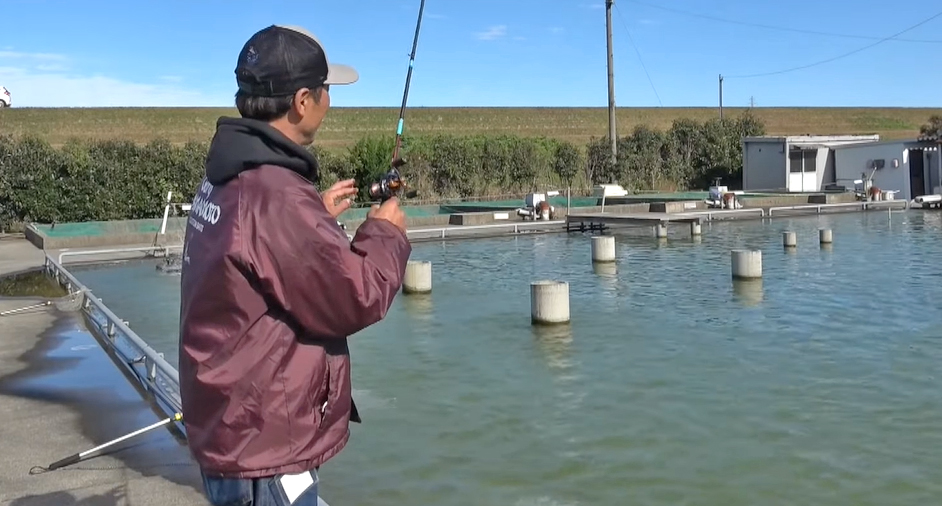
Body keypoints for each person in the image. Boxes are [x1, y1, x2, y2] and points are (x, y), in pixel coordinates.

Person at [177, 24, 412, 506]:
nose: (330, 100)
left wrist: (315, 219)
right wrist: (385, 232)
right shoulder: (276, 196)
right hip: (263, 450)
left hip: (231, 426)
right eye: (326, 89)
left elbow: (250, 251)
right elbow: (356, 297)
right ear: (303, 101)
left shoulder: (229, 173)